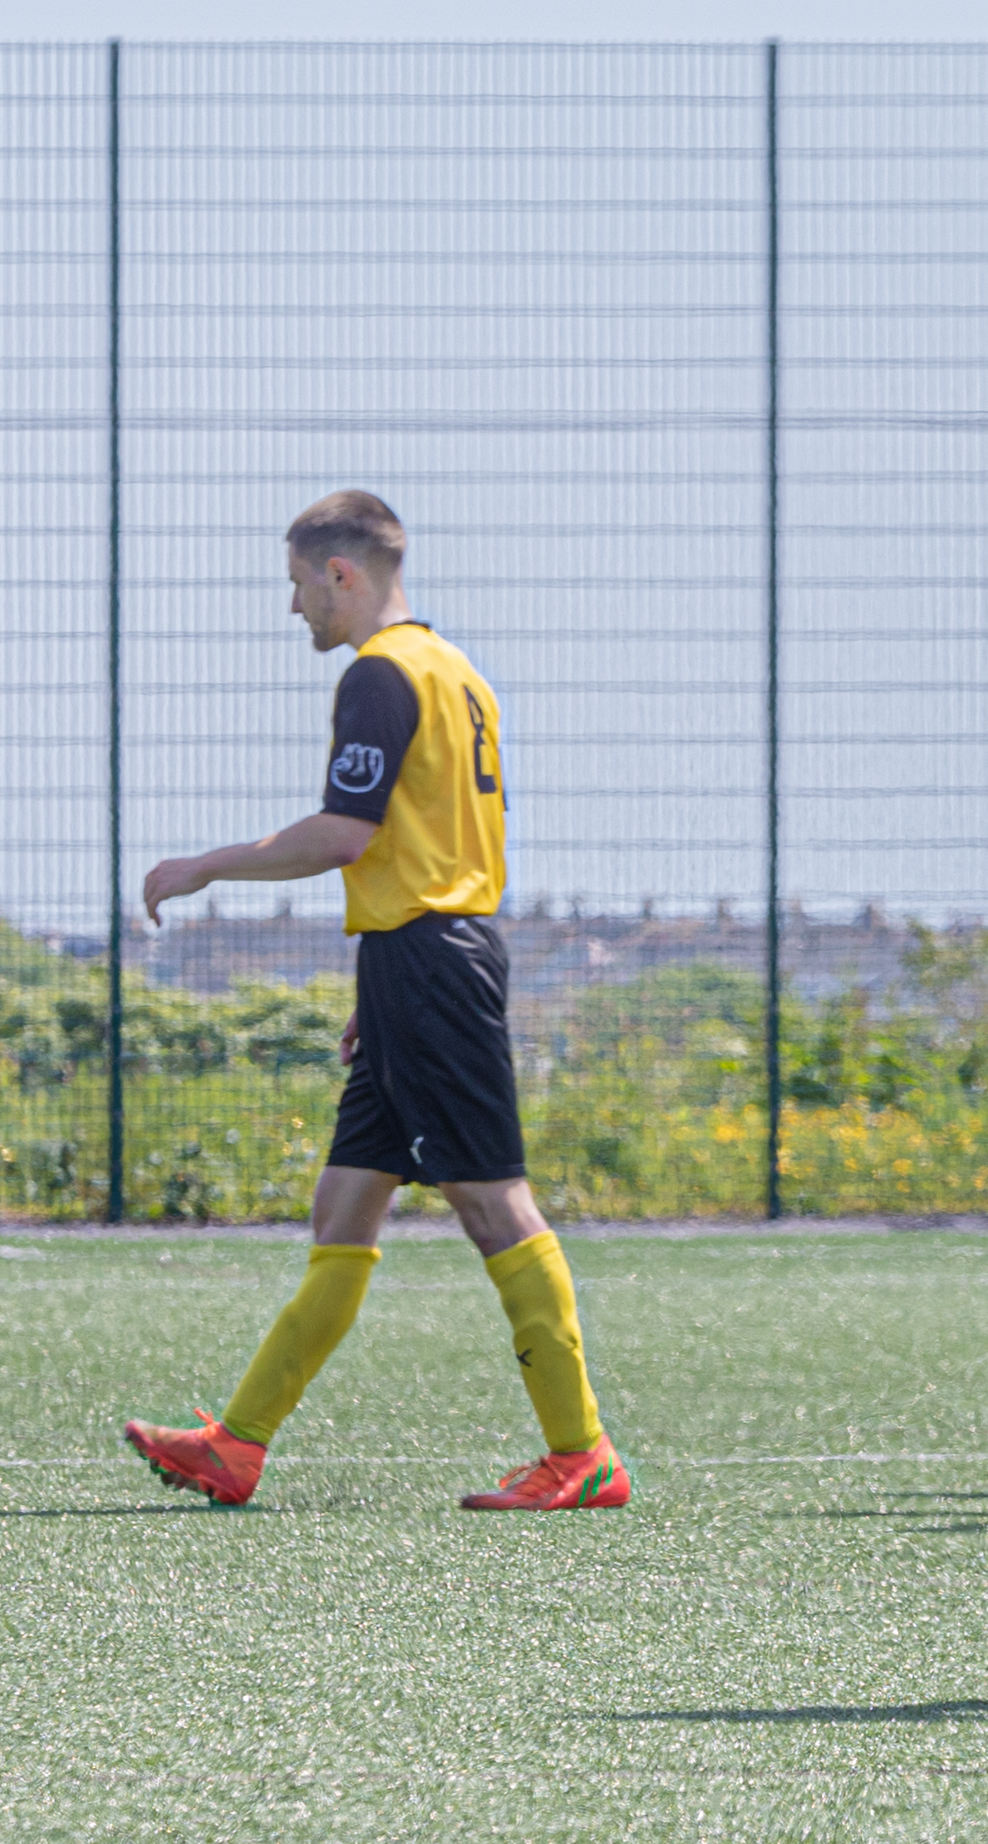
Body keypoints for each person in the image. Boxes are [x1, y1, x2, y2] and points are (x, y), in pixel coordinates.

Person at [123, 491, 627, 1513]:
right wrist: (383, 987)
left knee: (493, 1202)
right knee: (344, 1203)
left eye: (300, 585)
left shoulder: (381, 675)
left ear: (341, 573)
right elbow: (432, 842)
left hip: (431, 963)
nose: (296, 607)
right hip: (415, 963)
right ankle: (236, 1443)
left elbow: (344, 835)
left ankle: (582, 1454)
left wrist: (204, 865)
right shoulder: (457, 671)